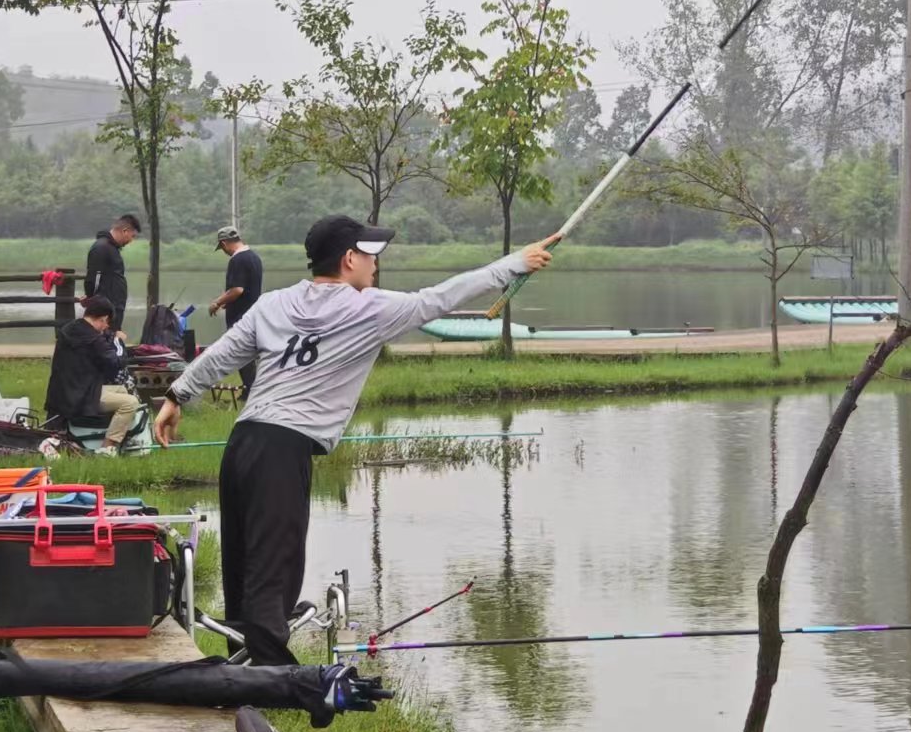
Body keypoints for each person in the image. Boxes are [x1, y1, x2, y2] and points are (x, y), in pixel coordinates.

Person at [157, 215, 558, 665]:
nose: (375, 264)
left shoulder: (274, 303)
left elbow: (226, 352)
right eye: (370, 254)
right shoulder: (370, 309)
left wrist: (177, 395)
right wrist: (514, 264)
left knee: (243, 567)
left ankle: (243, 666)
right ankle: (277, 680)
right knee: (274, 574)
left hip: (243, 444)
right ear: (349, 259)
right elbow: (442, 297)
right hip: (283, 453)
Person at [44, 294, 141, 457]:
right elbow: (116, 363)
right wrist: (118, 341)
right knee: (130, 403)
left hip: (62, 394)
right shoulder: (94, 339)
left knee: (122, 391)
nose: (106, 327)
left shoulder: (68, 329)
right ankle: (108, 447)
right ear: (103, 318)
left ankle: (119, 435)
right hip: (82, 397)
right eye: (107, 322)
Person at [208, 225, 264, 401]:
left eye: (222, 248)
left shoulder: (237, 260)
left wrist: (218, 302)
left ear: (224, 243)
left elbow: (237, 289)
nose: (223, 251)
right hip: (252, 313)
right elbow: (247, 290)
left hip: (241, 317)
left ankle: (251, 392)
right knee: (247, 355)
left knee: (241, 355)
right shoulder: (254, 257)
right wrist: (229, 301)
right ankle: (252, 390)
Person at [85, 214, 141, 335]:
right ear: (125, 231)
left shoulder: (112, 249)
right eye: (132, 236)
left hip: (115, 306)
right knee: (105, 342)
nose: (131, 240)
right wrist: (91, 298)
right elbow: (93, 278)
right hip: (104, 309)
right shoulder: (101, 248)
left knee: (111, 342)